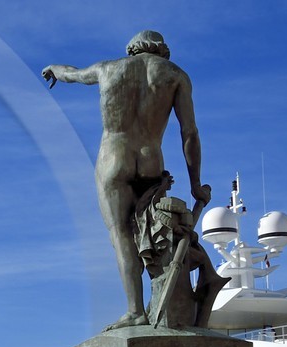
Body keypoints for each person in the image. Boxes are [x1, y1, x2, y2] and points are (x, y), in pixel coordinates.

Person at [42, 30, 208, 330]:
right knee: (156, 232)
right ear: (162, 50)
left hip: (113, 158)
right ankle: (165, 307)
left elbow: (73, 74)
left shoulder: (108, 68)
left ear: (132, 48)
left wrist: (55, 68)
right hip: (151, 160)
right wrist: (195, 183)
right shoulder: (176, 75)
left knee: (121, 235)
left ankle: (135, 310)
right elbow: (189, 133)